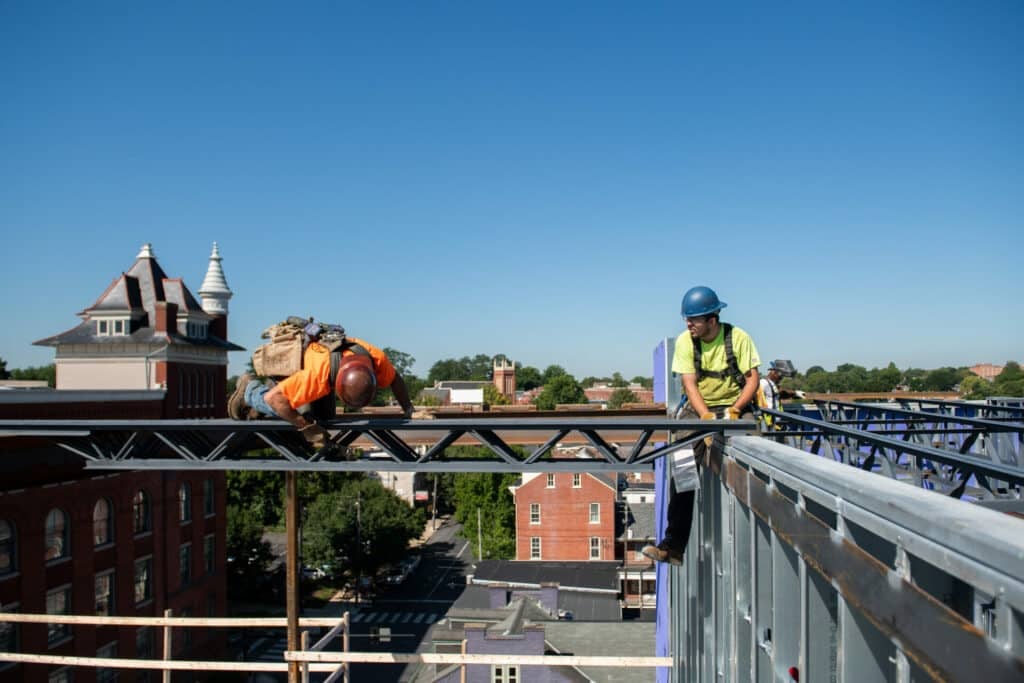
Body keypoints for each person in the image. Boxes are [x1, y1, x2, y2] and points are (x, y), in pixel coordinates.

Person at [642, 285, 760, 564]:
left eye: (693, 320)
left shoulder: (738, 338)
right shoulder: (686, 342)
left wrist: (736, 409)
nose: (688, 324)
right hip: (700, 407)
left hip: (734, 404)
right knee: (682, 460)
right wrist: (706, 417)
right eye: (687, 319)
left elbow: (753, 379)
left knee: (755, 446)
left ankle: (761, 523)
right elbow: (689, 384)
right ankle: (673, 546)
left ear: (712, 320)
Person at [228, 334, 415, 449]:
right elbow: (275, 399)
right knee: (286, 409)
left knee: (326, 418)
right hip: (295, 367)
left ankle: (259, 408)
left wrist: (408, 409)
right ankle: (249, 391)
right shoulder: (315, 378)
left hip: (326, 363)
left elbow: (395, 379)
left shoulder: (375, 359)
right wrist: (305, 427)